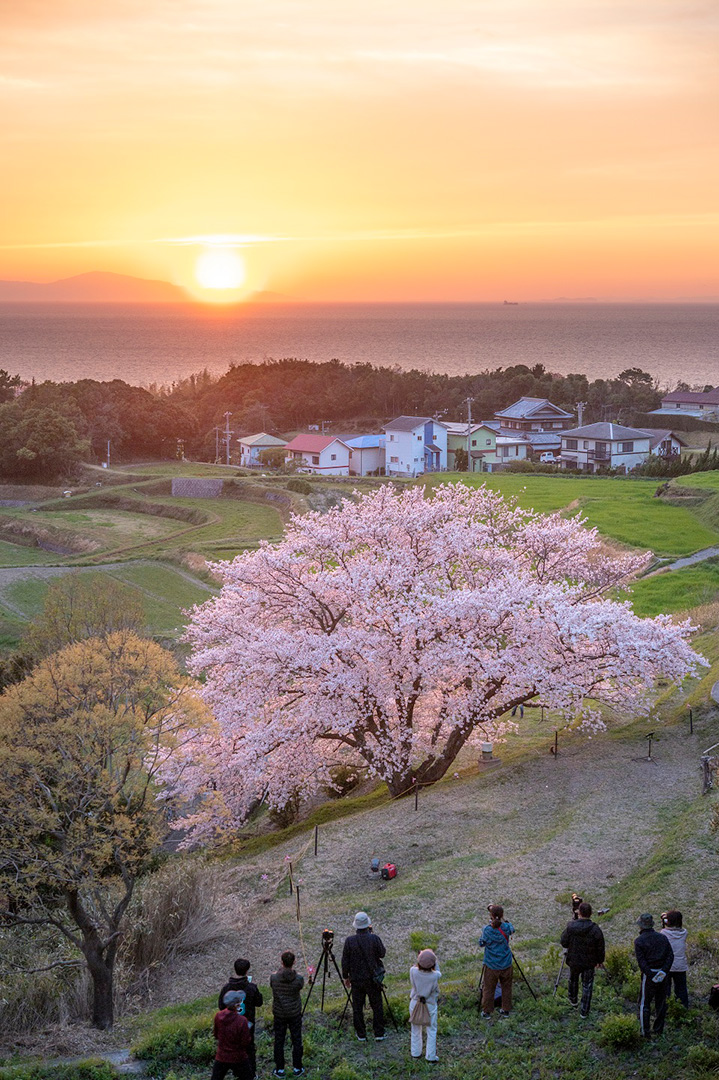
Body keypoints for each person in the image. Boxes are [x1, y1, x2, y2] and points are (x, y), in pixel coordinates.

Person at [341, 911, 387, 1041]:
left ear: (356, 926)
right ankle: (379, 1033)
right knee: (377, 1006)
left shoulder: (349, 941)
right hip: (373, 979)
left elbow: (345, 961)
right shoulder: (374, 938)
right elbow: (382, 953)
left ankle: (361, 1034)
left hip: (356, 979)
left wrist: (346, 977)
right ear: (368, 924)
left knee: (357, 1007)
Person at [218, 958, 264, 1078]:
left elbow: (220, 1006)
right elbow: (259, 1002)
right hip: (248, 1024)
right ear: (247, 971)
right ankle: (251, 1073)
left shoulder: (227, 988)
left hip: (230, 1024)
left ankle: (236, 1072)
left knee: (233, 1047)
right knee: (249, 1048)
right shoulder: (251, 987)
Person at [560, 901, 605, 1018]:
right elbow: (600, 947)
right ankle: (584, 1011)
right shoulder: (595, 929)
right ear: (591, 914)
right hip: (589, 962)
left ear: (579, 913)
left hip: (574, 960)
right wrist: (600, 960)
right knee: (587, 985)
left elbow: (564, 942)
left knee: (573, 980)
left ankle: (573, 1000)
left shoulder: (571, 927)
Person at [634, 913, 675, 1038]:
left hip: (649, 975)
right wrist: (663, 971)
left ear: (640, 926)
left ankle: (645, 1032)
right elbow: (670, 956)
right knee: (661, 1003)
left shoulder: (639, 941)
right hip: (663, 974)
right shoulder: (662, 938)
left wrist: (651, 974)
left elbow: (642, 962)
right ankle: (658, 1030)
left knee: (644, 1003)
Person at [270, 950, 305, 1077]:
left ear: (281, 962)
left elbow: (272, 986)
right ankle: (297, 1067)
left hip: (279, 1014)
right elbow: (300, 986)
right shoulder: (299, 979)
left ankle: (280, 1069)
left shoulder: (274, 978)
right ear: (294, 962)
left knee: (279, 1041)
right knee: (297, 1040)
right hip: (294, 1013)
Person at [479, 904, 515, 1018]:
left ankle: (487, 1012)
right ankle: (506, 1009)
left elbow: (481, 943)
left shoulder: (487, 930)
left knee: (489, 988)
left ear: (491, 916)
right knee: (506, 987)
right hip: (506, 963)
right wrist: (502, 918)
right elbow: (512, 928)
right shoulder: (506, 928)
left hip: (492, 964)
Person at [211, 989, 252, 1080]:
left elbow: (216, 1034)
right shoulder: (242, 1020)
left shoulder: (218, 1016)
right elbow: (246, 1041)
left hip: (222, 1056)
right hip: (238, 1056)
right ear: (236, 1005)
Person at [409, 948, 441, 1063]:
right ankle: (431, 1056)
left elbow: (415, 966)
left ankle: (415, 1053)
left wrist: (422, 955)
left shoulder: (413, 971)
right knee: (431, 1030)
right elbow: (437, 971)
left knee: (415, 1028)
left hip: (415, 1003)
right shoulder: (435, 976)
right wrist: (434, 960)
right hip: (430, 1004)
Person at [660, 910, 689, 1007]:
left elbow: (664, 929)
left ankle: (665, 1007)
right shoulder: (684, 933)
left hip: (667, 965)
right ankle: (683, 1008)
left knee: (665, 989)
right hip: (680, 965)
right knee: (681, 989)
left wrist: (663, 919)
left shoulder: (663, 933)